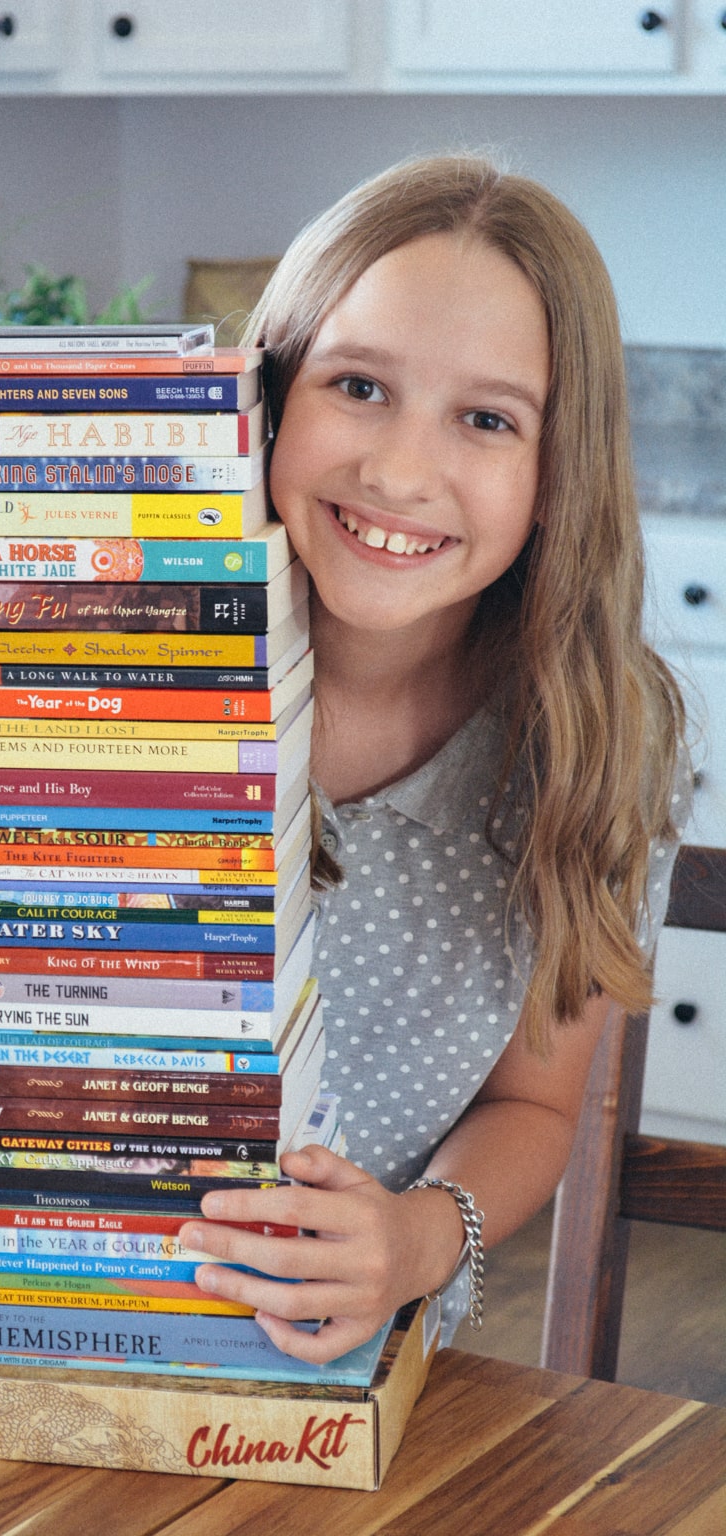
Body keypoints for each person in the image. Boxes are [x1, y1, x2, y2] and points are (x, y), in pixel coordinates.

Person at [179, 154, 690, 1365]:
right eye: (357, 384)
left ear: (557, 470)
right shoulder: (134, 666)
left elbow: (533, 1105)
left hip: (359, 1372)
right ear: (268, 392)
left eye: (485, 418)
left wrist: (415, 1241)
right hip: (52, 1320)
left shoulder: (594, 744)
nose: (400, 473)